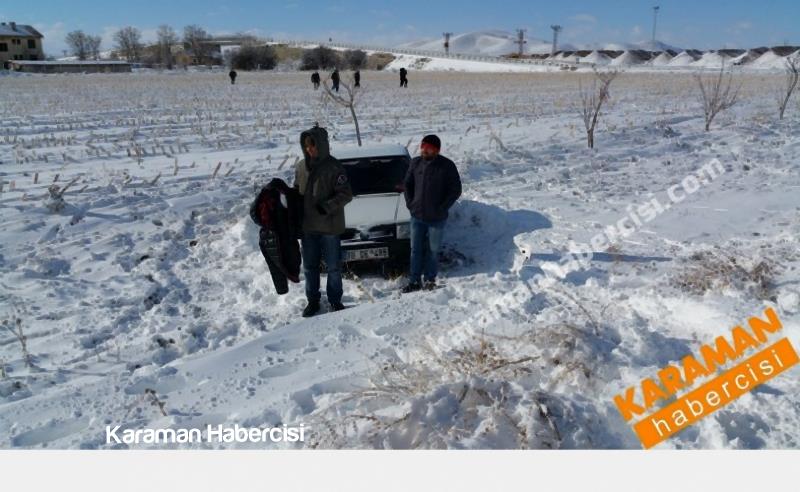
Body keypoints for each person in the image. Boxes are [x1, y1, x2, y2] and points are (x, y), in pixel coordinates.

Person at [295, 125, 353, 316]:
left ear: (322, 145)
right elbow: (297, 192)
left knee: (334, 267)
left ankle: (335, 300)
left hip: (329, 228)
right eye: (307, 146)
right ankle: (313, 301)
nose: (310, 149)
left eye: (313, 145)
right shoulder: (301, 167)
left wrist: (326, 207)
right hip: (308, 228)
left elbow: (346, 194)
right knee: (310, 267)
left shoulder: (334, 167)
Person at [401, 135, 461, 293]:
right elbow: (407, 184)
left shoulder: (447, 166)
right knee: (415, 250)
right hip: (417, 216)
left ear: (436, 150)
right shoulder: (415, 163)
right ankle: (414, 281)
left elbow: (455, 189)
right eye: (422, 147)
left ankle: (429, 280)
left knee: (433, 250)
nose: (424, 150)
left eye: (427, 148)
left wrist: (443, 207)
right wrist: (410, 203)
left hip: (436, 218)